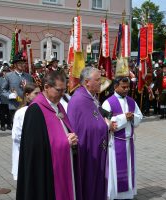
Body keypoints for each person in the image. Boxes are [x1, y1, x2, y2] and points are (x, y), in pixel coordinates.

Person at [17, 71, 81, 200]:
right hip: (46, 173)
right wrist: (65, 143)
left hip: (64, 164)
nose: (62, 94)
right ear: (46, 87)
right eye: (59, 90)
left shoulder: (59, 106)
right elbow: (34, 149)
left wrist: (72, 138)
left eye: (64, 90)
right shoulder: (35, 110)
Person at [67, 67, 112, 200]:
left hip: (94, 150)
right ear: (87, 82)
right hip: (87, 152)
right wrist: (106, 125)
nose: (100, 83)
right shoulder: (80, 100)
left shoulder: (89, 97)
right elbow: (84, 129)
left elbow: (93, 121)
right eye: (97, 80)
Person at [102, 76, 143, 200]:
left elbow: (139, 117)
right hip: (115, 143)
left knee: (129, 169)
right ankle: (114, 195)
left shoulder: (131, 101)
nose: (126, 90)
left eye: (127, 87)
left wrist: (133, 117)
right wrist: (124, 118)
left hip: (129, 142)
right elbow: (105, 122)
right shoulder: (108, 102)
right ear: (115, 87)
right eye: (123, 87)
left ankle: (128, 195)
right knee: (115, 171)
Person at [12, 83, 40, 180]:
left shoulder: (39, 109)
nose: (39, 96)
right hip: (25, 151)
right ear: (27, 95)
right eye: (36, 93)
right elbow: (16, 136)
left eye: (40, 94)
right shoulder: (21, 112)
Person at [1, 52, 33, 126]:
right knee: (16, 126)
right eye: (20, 63)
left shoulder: (28, 76)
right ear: (15, 65)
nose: (22, 65)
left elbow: (32, 89)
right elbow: (3, 90)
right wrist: (9, 95)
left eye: (23, 63)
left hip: (27, 105)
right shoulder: (8, 76)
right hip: (14, 105)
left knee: (27, 126)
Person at [0, 64, 11, 131]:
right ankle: (2, 125)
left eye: (7, 71)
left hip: (10, 99)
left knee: (9, 113)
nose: (6, 73)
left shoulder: (11, 79)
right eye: (4, 71)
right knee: (2, 114)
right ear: (2, 72)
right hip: (2, 99)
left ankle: (9, 125)